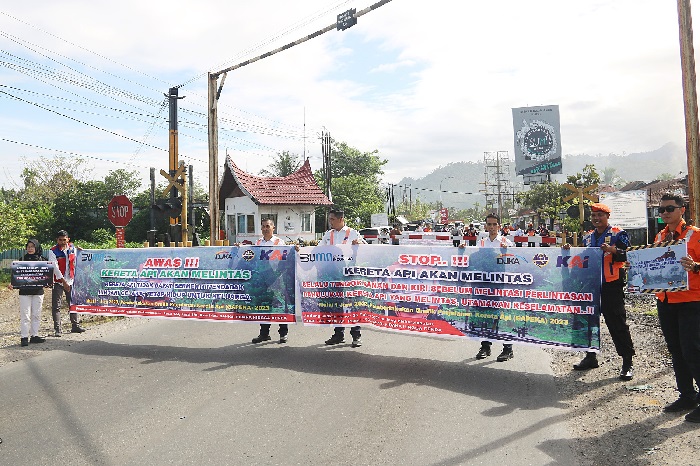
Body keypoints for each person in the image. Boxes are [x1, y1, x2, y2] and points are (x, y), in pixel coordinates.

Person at [570, 203, 635, 381]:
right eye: (593, 216)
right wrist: (569, 253)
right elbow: (583, 258)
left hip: (611, 285)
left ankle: (627, 362)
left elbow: (628, 254)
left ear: (607, 216)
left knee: (617, 323)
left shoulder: (617, 233)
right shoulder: (588, 237)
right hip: (591, 285)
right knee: (588, 321)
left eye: (600, 215)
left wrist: (613, 250)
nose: (596, 219)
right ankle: (590, 357)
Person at [652, 193, 700, 422]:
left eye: (669, 208)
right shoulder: (660, 236)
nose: (664, 213)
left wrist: (696, 266)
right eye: (661, 210)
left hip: (691, 302)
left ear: (682, 209)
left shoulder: (696, 236)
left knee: (692, 350)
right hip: (666, 301)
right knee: (676, 350)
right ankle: (687, 395)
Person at [463, 214, 515, 361]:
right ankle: (485, 346)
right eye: (489, 224)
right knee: (483, 314)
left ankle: (508, 348)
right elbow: (474, 260)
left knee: (501, 315)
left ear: (499, 226)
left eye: (494, 224)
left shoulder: (506, 242)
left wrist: (506, 253)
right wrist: (461, 250)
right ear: (486, 226)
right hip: (483, 284)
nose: (492, 227)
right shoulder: (482, 243)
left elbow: (513, 264)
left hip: (499, 285)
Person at [319, 208, 366, 347]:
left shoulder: (352, 233)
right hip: (334, 274)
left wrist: (359, 244)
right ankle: (338, 334)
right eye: (329, 219)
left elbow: (365, 247)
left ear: (341, 219)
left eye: (332, 219)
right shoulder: (328, 235)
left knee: (351, 304)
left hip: (349, 274)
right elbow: (318, 249)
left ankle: (356, 335)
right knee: (336, 305)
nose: (330, 222)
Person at [250, 218, 289, 344]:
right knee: (264, 305)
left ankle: (283, 334)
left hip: (276, 277)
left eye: (268, 226)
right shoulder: (258, 243)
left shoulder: (279, 242)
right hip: (262, 277)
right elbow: (252, 257)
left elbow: (286, 258)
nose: (265, 229)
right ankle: (264, 333)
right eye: (263, 226)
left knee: (280, 305)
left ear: (273, 228)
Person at [8, 239, 48, 346]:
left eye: (32, 247)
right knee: (25, 315)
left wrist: (48, 282)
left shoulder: (43, 261)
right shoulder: (21, 260)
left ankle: (34, 335)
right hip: (24, 292)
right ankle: (24, 337)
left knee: (36, 314)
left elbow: (48, 275)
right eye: (28, 246)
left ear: (37, 248)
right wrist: (12, 284)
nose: (30, 249)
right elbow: (16, 275)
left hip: (38, 291)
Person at [47, 230, 84, 336]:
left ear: (68, 239)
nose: (63, 242)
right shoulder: (53, 251)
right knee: (56, 306)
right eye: (60, 240)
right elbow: (55, 268)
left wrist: (81, 251)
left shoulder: (72, 248)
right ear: (57, 240)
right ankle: (58, 329)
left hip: (71, 280)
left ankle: (75, 325)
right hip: (59, 281)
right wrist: (63, 282)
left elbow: (80, 258)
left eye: (64, 240)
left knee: (72, 304)